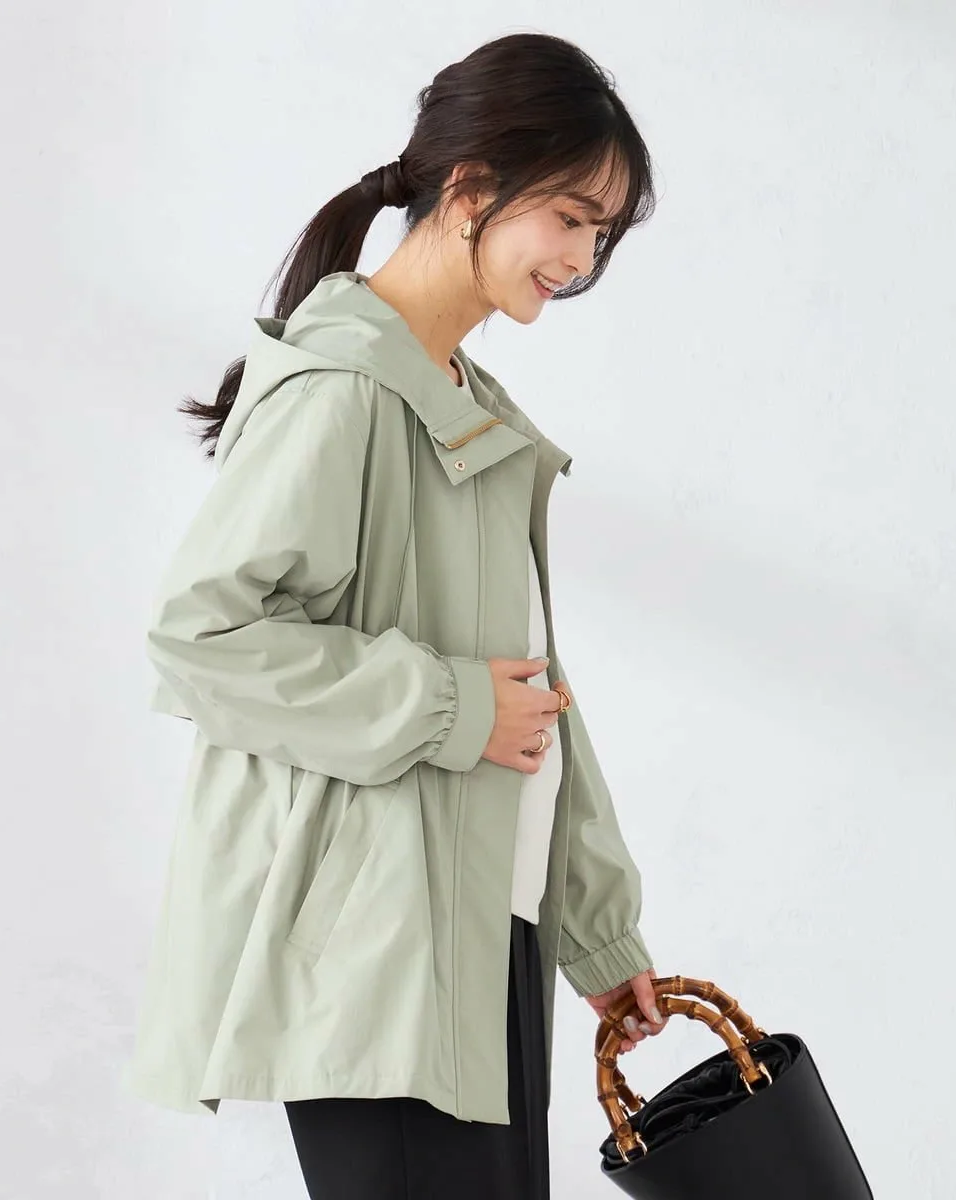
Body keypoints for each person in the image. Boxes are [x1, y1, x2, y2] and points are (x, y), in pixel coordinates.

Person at [125, 29, 669, 1200]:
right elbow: (201, 637)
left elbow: (531, 699)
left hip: (482, 930)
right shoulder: (346, 392)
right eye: (570, 217)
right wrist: (446, 707)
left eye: (601, 234)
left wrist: (595, 930)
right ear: (470, 187)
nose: (582, 257)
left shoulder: (463, 402)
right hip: (379, 958)